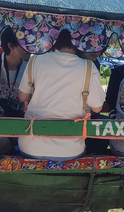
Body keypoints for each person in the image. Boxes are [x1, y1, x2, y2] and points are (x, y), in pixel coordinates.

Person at [18, 29, 104, 160]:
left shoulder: (35, 60)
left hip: (31, 146)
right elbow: (97, 108)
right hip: (69, 149)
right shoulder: (88, 67)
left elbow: (22, 97)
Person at [0, 26, 31, 154]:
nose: (31, 48)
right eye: (26, 44)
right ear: (11, 45)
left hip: (18, 126)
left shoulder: (31, 67)